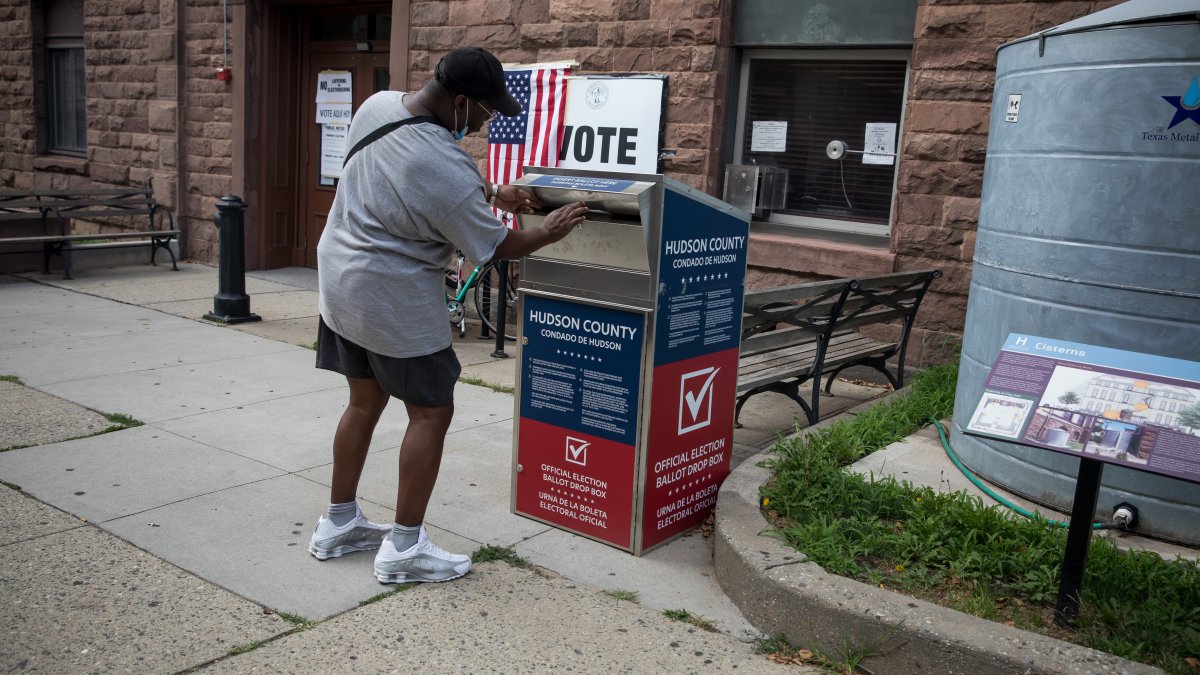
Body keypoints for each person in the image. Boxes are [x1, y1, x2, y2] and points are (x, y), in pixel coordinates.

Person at [307, 47, 587, 584]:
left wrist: (493, 191)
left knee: (363, 402)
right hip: (391, 298)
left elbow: (411, 181)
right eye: (483, 112)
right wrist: (548, 232)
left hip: (340, 280)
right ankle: (405, 549)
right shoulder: (441, 160)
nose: (485, 123)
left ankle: (337, 524)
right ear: (459, 102)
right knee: (430, 413)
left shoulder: (379, 105)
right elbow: (495, 246)